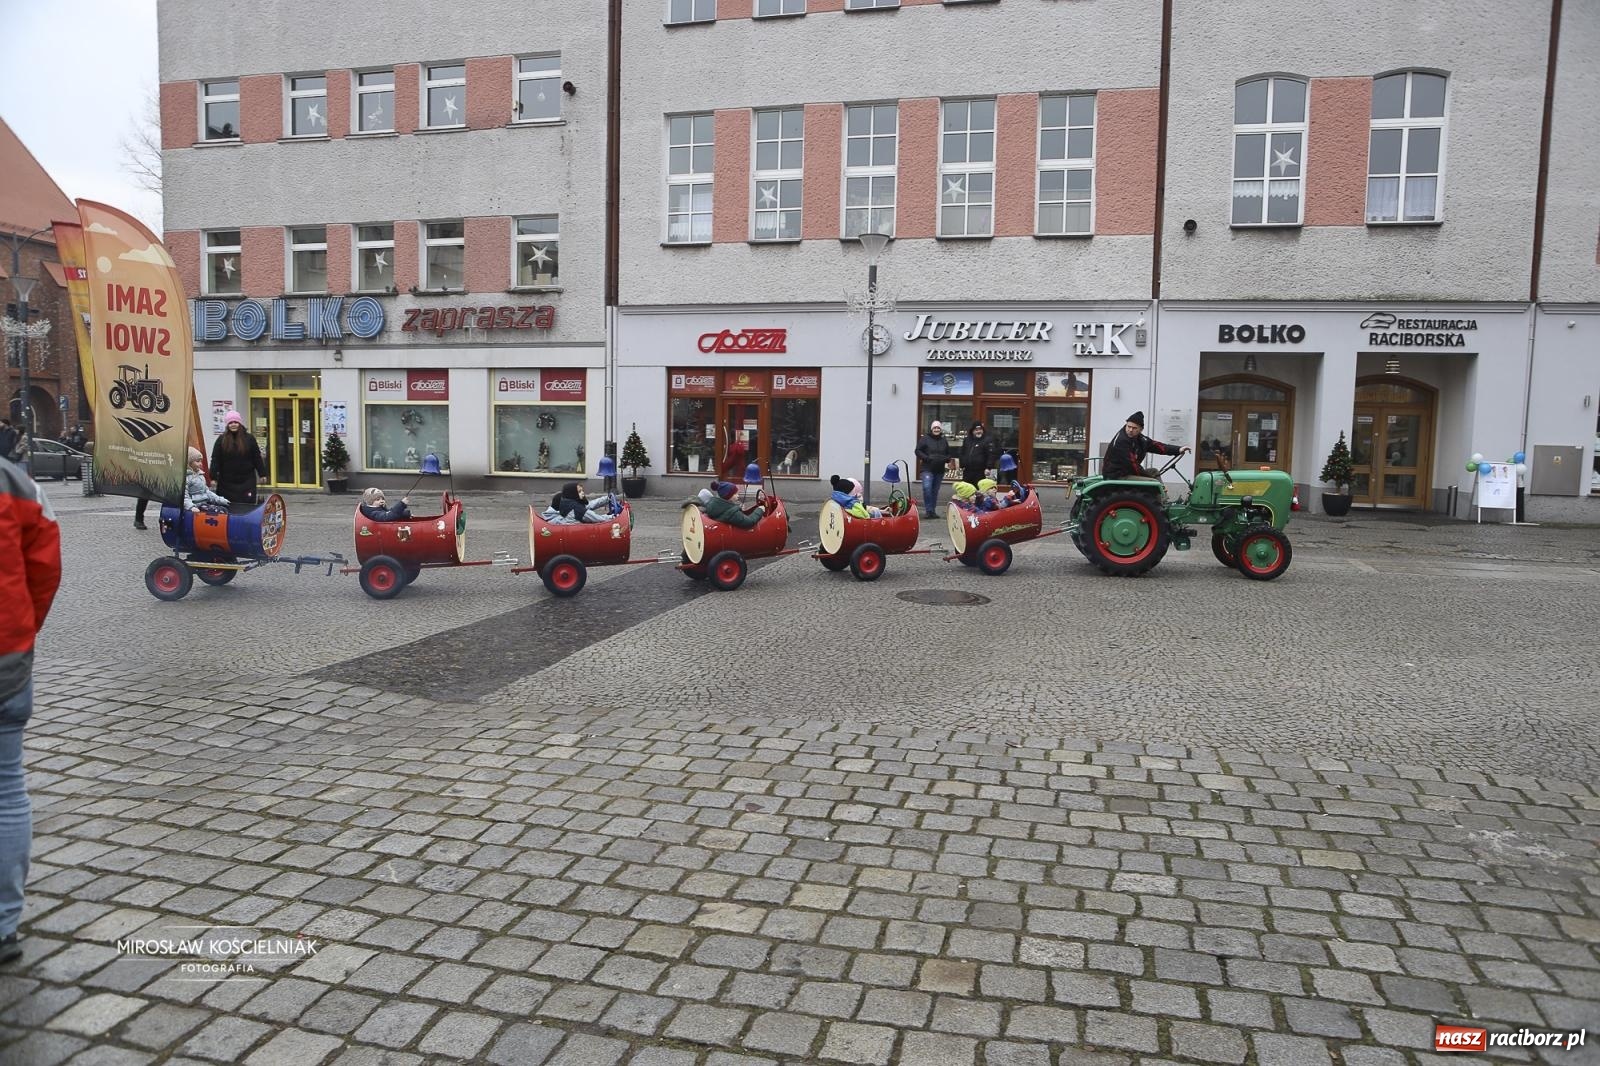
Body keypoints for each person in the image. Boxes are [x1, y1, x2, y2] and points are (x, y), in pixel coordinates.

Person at [0, 455, 62, 965]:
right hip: (6, 654)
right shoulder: (13, 481)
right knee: (6, 786)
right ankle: (3, 923)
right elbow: (44, 563)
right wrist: (22, 633)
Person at [1102, 411, 1189, 481]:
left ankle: (1162, 499)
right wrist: (1149, 477)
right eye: (1128, 426)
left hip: (1127, 472)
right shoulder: (1121, 441)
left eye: (1134, 428)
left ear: (1141, 429)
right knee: (1152, 482)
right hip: (1117, 475)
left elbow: (1157, 446)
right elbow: (1133, 465)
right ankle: (1157, 502)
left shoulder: (1141, 439)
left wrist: (1178, 449)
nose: (1130, 430)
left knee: (1154, 471)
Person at [210, 410, 266, 510]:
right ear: (227, 425)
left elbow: (256, 457)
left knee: (247, 507)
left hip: (247, 480)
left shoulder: (249, 439)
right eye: (230, 423)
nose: (233, 425)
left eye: (235, 422)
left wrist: (262, 474)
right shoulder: (221, 440)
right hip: (226, 482)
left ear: (239, 423)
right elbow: (215, 459)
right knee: (228, 507)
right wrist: (213, 477)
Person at [913, 420, 951, 519]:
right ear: (931, 429)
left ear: (940, 429)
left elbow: (948, 454)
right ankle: (928, 510)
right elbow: (917, 451)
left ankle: (932, 511)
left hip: (939, 470)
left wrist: (947, 459)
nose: (937, 429)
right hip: (927, 468)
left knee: (934, 491)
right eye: (935, 428)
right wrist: (927, 458)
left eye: (938, 428)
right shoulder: (925, 439)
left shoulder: (944, 441)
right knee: (927, 488)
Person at [694, 480, 764, 529]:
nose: (738, 495)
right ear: (728, 496)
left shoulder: (713, 504)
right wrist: (760, 510)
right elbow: (749, 522)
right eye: (735, 493)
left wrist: (737, 508)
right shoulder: (733, 514)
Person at [182, 448, 230, 512]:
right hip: (196, 505)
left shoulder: (200, 475)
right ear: (189, 463)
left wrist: (219, 500)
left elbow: (207, 492)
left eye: (201, 461)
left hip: (204, 503)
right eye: (197, 461)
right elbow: (184, 496)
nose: (200, 464)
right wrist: (191, 507)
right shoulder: (186, 478)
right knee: (219, 512)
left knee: (224, 509)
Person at [959, 421, 996, 486]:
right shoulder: (967, 440)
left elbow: (991, 455)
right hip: (967, 471)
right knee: (966, 490)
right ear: (972, 431)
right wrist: (962, 464)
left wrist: (988, 467)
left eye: (980, 429)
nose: (978, 431)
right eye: (976, 430)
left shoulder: (987, 440)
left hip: (980, 471)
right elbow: (962, 453)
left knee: (979, 491)